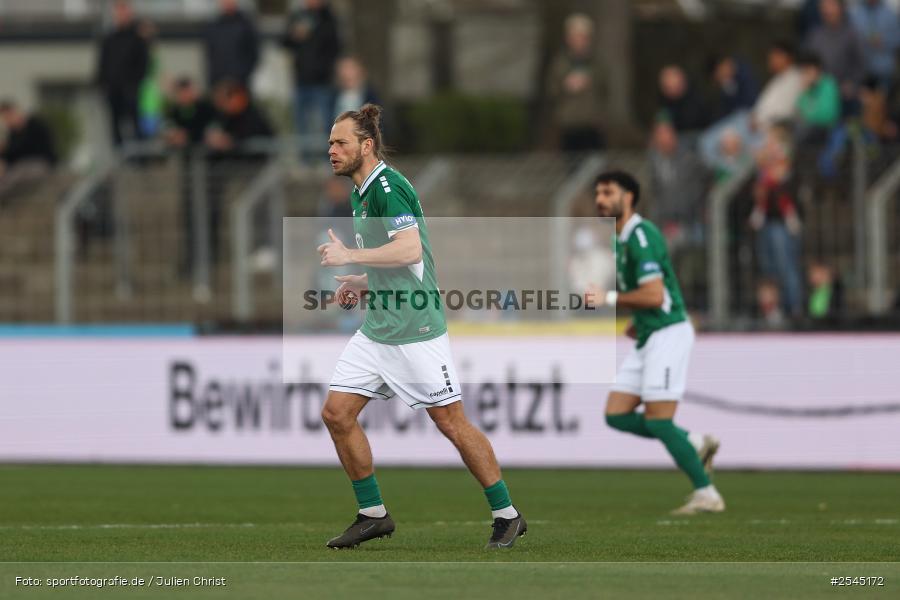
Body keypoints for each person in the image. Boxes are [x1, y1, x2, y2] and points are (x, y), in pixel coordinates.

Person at [317, 104, 526, 549]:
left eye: (340, 143)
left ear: (366, 145)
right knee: (336, 414)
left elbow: (410, 251)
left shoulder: (387, 188)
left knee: (451, 422)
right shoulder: (361, 191)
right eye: (331, 142)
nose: (331, 150)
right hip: (378, 329)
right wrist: (362, 280)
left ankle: (507, 514)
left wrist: (351, 258)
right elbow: (397, 261)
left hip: (414, 329)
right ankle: (373, 514)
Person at [590, 169, 725, 515]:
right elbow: (649, 296)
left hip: (669, 333)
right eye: (598, 193)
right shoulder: (619, 239)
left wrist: (607, 298)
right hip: (651, 333)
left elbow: (653, 294)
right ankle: (696, 442)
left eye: (608, 192)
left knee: (659, 421)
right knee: (616, 414)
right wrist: (637, 322)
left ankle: (707, 494)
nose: (600, 199)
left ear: (629, 197)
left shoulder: (641, 235)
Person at [282, 0, 342, 153]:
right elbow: (284, 42)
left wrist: (324, 68)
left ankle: (327, 160)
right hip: (301, 81)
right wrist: (294, 35)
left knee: (325, 126)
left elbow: (336, 48)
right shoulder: (297, 16)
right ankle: (305, 162)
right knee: (301, 126)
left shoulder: (329, 19)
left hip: (323, 82)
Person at [546, 13, 606, 152]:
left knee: (594, 164)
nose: (579, 41)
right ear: (568, 38)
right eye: (575, 36)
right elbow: (552, 91)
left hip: (593, 122)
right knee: (572, 165)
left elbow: (605, 89)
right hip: (569, 123)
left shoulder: (597, 63)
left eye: (583, 37)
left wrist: (590, 81)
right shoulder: (560, 63)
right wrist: (566, 86)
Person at [96, 0, 148, 147]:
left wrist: (134, 85)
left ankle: (139, 157)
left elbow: (143, 65)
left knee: (135, 124)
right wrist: (102, 85)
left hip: (131, 92)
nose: (121, 14)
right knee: (115, 126)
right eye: (118, 11)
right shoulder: (109, 39)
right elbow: (102, 65)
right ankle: (119, 155)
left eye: (124, 10)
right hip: (113, 91)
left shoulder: (138, 40)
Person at [804, 0, 865, 114]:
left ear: (841, 8)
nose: (827, 10)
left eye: (831, 6)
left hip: (842, 94)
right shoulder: (814, 35)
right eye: (824, 7)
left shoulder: (852, 34)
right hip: (818, 92)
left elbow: (860, 64)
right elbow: (808, 62)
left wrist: (853, 83)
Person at [0, 100, 57, 204]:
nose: (7, 121)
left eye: (7, 117)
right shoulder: (13, 133)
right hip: (22, 166)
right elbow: (10, 157)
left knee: (15, 175)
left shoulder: (35, 125)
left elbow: (26, 149)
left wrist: (6, 149)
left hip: (40, 163)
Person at [205, 0, 259, 89]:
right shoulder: (214, 26)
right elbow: (210, 54)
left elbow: (253, 54)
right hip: (218, 80)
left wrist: (242, 74)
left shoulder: (246, 25)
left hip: (239, 81)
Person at [849, 0, 900, 91]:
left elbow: (897, 40)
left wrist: (883, 41)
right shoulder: (855, 14)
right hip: (862, 71)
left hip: (884, 71)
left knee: (882, 103)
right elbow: (849, 39)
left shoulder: (890, 14)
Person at [656, 65, 708, 132]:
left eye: (675, 85)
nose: (672, 89)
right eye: (668, 87)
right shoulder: (664, 102)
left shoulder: (698, 99)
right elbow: (662, 119)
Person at [332, 57, 380, 122]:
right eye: (344, 68)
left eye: (350, 68)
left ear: (360, 71)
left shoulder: (372, 97)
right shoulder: (332, 97)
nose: (347, 73)